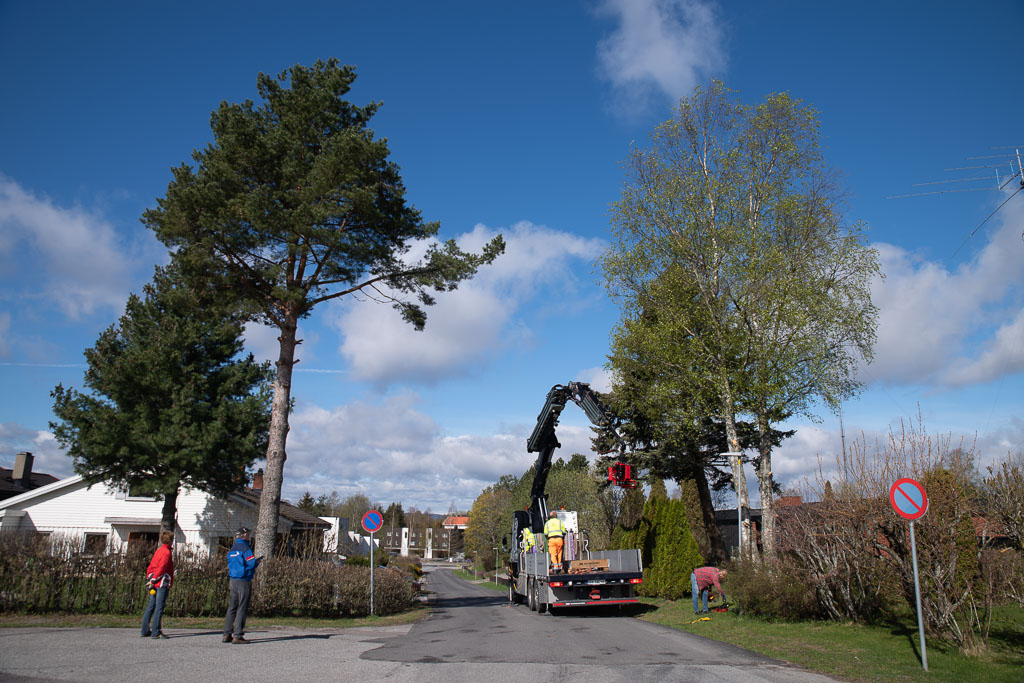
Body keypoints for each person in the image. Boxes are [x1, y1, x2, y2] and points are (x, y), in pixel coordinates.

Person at [223, 526, 261, 644]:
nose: (249, 536)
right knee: (242, 606)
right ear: (244, 535)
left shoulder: (233, 548)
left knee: (232, 606)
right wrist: (257, 562)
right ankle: (238, 635)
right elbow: (250, 563)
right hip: (243, 579)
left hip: (233, 578)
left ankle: (227, 633)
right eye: (248, 534)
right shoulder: (245, 548)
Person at [140, 530, 174, 639]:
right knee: (159, 606)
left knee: (151, 605)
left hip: (154, 580)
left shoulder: (159, 550)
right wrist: (154, 579)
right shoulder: (166, 552)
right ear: (171, 541)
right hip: (161, 582)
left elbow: (151, 565)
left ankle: (145, 630)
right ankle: (156, 631)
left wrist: (150, 577)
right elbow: (162, 567)